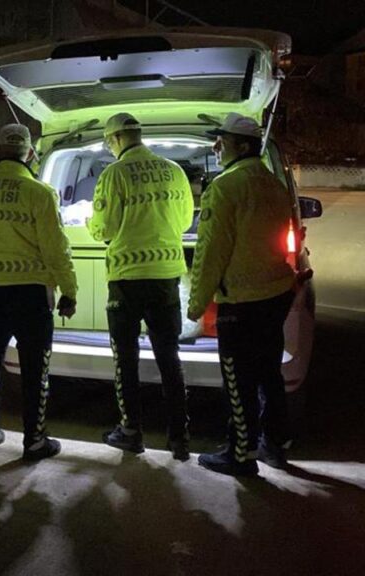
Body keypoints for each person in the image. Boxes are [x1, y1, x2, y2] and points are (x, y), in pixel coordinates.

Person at [0, 123, 77, 461]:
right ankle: (34, 441)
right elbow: (56, 249)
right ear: (30, 154)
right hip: (32, 295)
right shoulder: (40, 193)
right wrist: (69, 290)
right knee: (35, 369)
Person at [187, 113, 297, 476]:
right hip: (275, 294)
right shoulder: (273, 184)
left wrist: (197, 303)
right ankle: (276, 443)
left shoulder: (225, 187)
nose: (216, 147)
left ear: (244, 145)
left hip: (241, 301)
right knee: (268, 374)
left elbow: (211, 252)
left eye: (223, 141)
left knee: (238, 379)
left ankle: (240, 454)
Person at [87, 113, 195, 461]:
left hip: (127, 280)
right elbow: (184, 220)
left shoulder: (114, 174)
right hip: (166, 277)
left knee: (126, 358)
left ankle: (131, 432)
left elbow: (104, 229)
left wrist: (89, 223)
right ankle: (179, 437)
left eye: (108, 142)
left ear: (117, 138)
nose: (109, 147)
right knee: (169, 356)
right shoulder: (174, 171)